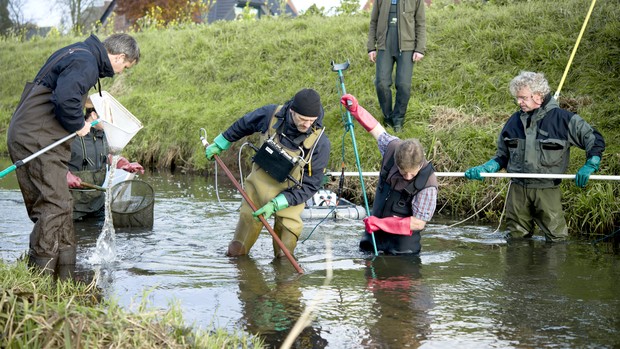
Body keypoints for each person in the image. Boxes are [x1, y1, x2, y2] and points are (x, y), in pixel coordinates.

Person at [7, 33, 140, 277]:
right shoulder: (86, 61)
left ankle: (66, 273)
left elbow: (62, 92)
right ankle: (39, 278)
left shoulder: (78, 53)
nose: (121, 71)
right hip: (37, 137)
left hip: (40, 134)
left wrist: (86, 116)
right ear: (120, 56)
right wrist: (79, 124)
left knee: (63, 204)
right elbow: (65, 98)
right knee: (53, 205)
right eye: (125, 66)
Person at [464, 71, 605, 242]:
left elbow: (594, 139)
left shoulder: (564, 120)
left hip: (547, 189)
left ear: (538, 96)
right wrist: (487, 168)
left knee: (556, 240)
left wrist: (591, 164)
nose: (518, 102)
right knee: (515, 240)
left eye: (523, 98)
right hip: (517, 190)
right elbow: (502, 155)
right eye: (517, 98)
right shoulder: (513, 121)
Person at [206, 88, 331, 258]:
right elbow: (244, 124)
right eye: (303, 119)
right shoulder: (271, 115)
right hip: (255, 192)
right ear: (292, 111)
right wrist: (222, 141)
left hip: (289, 201)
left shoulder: (320, 143)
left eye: (312, 121)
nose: (307, 125)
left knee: (284, 258)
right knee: (236, 252)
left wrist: (278, 203)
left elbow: (311, 185)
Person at [341, 94, 437, 255]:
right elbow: (376, 129)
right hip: (373, 239)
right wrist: (356, 110)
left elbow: (419, 223)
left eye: (411, 174)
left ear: (420, 165)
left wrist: (380, 223)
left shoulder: (428, 185)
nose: (406, 177)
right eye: (402, 172)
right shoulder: (392, 147)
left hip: (403, 250)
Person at [66, 98, 144, 221]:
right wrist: (64, 174)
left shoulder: (104, 135)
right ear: (93, 115)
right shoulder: (70, 135)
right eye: (108, 117)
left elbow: (106, 155)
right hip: (72, 208)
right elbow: (50, 161)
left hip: (97, 204)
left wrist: (122, 163)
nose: (111, 121)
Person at [367, 0, 427, 132]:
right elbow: (373, 22)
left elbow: (420, 24)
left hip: (406, 47)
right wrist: (371, 47)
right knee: (381, 83)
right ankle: (388, 117)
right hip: (384, 45)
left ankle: (398, 119)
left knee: (403, 85)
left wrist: (419, 49)